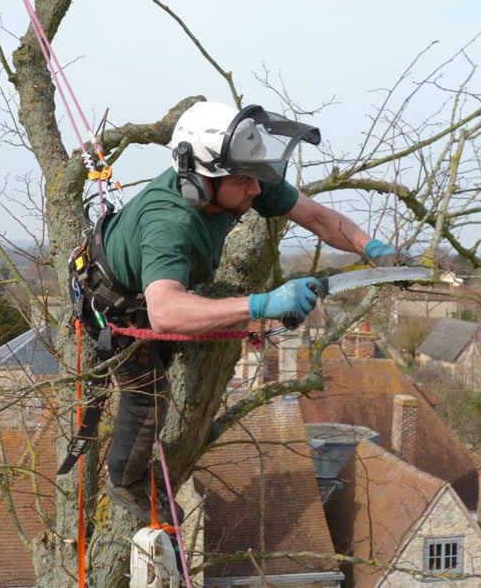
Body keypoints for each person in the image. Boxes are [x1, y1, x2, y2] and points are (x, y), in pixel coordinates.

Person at [62, 102, 400, 524]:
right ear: (201, 183)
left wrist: (371, 248)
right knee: (149, 395)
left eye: (256, 179)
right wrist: (260, 305)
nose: (256, 191)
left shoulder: (243, 178)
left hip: (162, 283)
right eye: (244, 182)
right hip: (117, 304)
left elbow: (317, 217)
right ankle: (126, 481)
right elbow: (164, 311)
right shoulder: (170, 224)